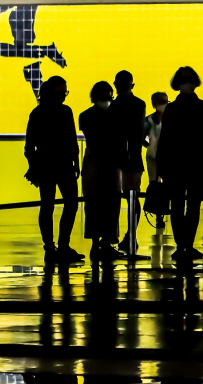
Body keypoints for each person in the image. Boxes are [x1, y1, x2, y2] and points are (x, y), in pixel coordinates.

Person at [156, 67, 203, 260]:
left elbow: (165, 140)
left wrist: (162, 167)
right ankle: (187, 245)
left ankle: (181, 246)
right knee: (193, 207)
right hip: (197, 165)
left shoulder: (172, 108)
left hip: (175, 166)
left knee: (177, 207)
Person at [24, 76, 82, 262]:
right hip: (64, 165)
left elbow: (29, 146)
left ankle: (50, 247)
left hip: (45, 165)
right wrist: (76, 162)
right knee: (71, 204)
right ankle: (63, 245)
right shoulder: (66, 111)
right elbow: (72, 140)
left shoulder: (37, 113)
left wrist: (33, 167)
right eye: (63, 92)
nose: (64, 95)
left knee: (47, 205)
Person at [79, 81, 122, 260]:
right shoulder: (115, 115)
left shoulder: (85, 116)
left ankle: (95, 243)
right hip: (111, 161)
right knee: (112, 203)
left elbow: (92, 139)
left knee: (93, 203)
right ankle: (106, 242)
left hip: (92, 162)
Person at [109, 70, 146, 253]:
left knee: (114, 198)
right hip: (133, 158)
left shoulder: (113, 107)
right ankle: (131, 234)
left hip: (115, 158)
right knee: (133, 198)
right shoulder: (139, 104)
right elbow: (137, 131)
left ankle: (112, 235)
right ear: (132, 85)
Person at [143, 92, 168, 229]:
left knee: (167, 184)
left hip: (167, 157)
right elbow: (141, 137)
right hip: (153, 156)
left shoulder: (170, 119)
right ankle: (159, 215)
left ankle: (164, 212)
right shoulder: (148, 120)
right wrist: (149, 145)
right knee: (155, 184)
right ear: (154, 104)